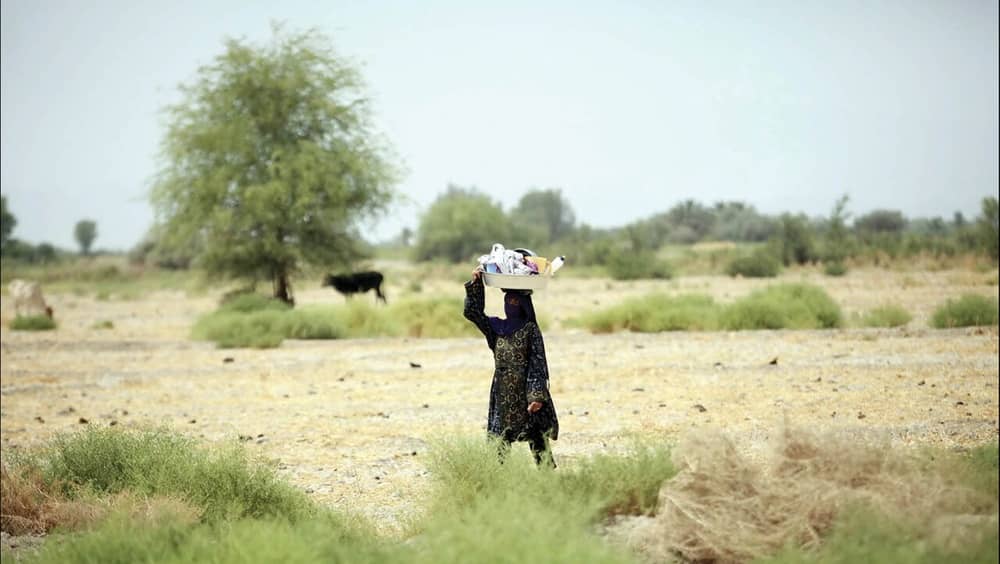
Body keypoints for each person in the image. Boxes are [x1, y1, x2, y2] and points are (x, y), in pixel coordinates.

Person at [464, 265, 559, 467]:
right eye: (507, 300)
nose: (510, 304)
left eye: (515, 301)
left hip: (525, 393)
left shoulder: (530, 330)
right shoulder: (495, 328)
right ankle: (500, 482)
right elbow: (472, 312)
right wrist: (476, 285)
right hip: (502, 392)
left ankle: (549, 483)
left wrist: (536, 395)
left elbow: (537, 363)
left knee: (537, 438)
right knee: (500, 438)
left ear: (524, 304)